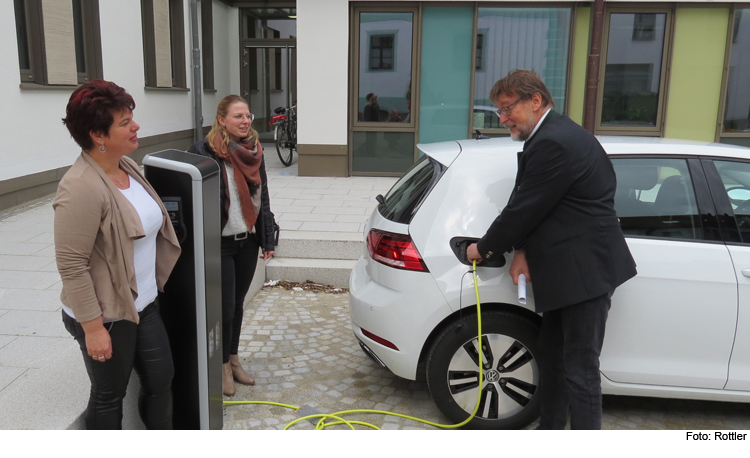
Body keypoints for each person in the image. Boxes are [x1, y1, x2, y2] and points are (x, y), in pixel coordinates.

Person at [466, 70, 637, 430]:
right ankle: (551, 430)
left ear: (536, 101)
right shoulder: (551, 135)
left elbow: (524, 208)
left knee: (580, 368)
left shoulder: (554, 142)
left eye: (508, 108)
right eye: (499, 111)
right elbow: (542, 203)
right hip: (566, 271)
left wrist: (481, 248)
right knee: (552, 357)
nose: (503, 118)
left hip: (584, 272)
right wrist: (524, 250)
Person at [55, 80, 182, 429]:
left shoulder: (127, 168)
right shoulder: (80, 187)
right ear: (98, 134)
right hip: (106, 314)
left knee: (161, 381)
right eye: (125, 122)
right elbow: (71, 264)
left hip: (144, 304)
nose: (135, 126)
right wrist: (93, 328)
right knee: (109, 395)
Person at [188, 95, 276, 397]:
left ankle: (235, 359)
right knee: (224, 309)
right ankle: (223, 365)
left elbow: (262, 196)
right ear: (221, 119)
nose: (245, 121)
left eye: (248, 115)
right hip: (220, 244)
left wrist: (267, 237)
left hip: (247, 241)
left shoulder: (254, 151)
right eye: (238, 116)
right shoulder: (203, 152)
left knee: (237, 306)